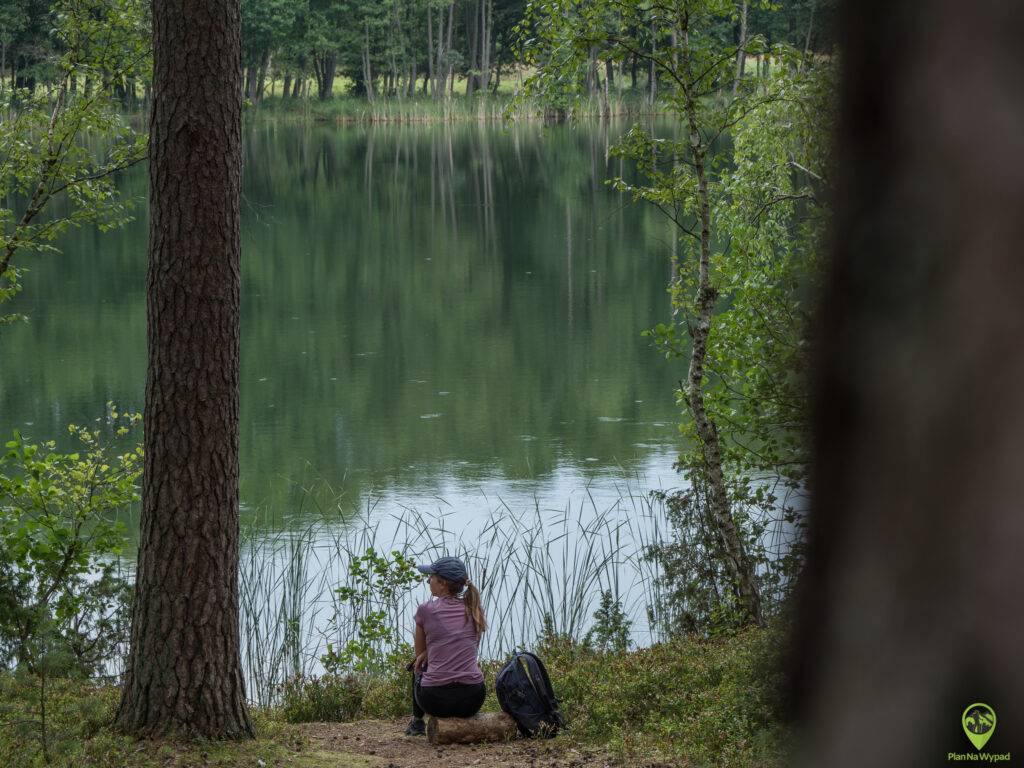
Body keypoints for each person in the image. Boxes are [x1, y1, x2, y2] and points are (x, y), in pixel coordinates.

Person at [405, 556, 487, 736]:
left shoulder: (426, 610)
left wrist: (427, 651)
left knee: (418, 664)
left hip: (435, 700)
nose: (428, 580)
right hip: (472, 700)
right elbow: (472, 647)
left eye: (431, 577)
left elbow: (419, 654)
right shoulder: (474, 609)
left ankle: (417, 723)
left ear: (442, 583)